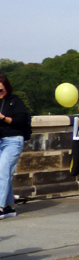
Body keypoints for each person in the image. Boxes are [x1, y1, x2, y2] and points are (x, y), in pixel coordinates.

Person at [0, 75, 32, 219]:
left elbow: (21, 121)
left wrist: (3, 118)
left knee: (2, 171)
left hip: (13, 140)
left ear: (6, 87)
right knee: (5, 173)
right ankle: (9, 206)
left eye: (1, 90)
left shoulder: (15, 101)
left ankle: (0, 207)